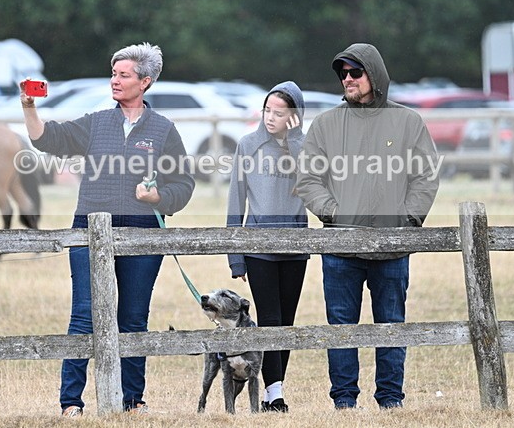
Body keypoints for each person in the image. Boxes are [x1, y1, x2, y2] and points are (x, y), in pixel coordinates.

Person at [21, 42, 195, 417]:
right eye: (113, 73)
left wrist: (157, 198)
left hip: (142, 232)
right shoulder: (96, 122)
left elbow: (183, 184)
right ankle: (71, 402)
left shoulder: (164, 130)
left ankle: (133, 400)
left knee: (133, 318)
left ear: (145, 82)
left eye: (123, 75)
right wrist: (29, 107)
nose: (114, 80)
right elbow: (45, 138)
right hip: (88, 229)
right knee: (84, 314)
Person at [295, 43, 440, 410]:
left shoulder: (408, 122)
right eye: (342, 73)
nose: (347, 79)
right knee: (341, 329)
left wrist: (406, 221)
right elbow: (309, 178)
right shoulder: (327, 124)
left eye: (355, 72)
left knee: (391, 326)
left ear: (374, 75)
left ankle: (390, 400)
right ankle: (344, 401)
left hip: (392, 249)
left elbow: (425, 177)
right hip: (340, 248)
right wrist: (333, 214)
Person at [226, 81, 308, 412]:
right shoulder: (248, 145)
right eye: (267, 111)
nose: (271, 118)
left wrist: (295, 141)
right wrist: (236, 258)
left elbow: (314, 182)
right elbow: (236, 200)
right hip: (258, 247)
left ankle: (275, 387)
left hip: (296, 246)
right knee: (270, 318)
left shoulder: (304, 146)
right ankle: (273, 395)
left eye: (280, 113)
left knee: (285, 322)